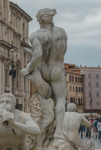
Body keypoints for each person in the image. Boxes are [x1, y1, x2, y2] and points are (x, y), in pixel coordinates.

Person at [20, 8, 68, 138]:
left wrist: (27, 69)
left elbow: (38, 54)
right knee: (60, 100)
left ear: (38, 19)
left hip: (43, 69)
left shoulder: (36, 35)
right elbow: (63, 52)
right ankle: (58, 132)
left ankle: (42, 127)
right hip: (57, 68)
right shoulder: (62, 33)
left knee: (43, 97)